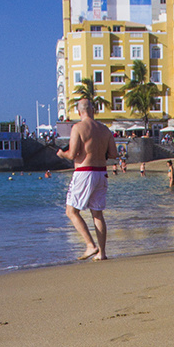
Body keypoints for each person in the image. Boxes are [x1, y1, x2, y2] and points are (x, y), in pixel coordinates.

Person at [57, 96, 118, 260]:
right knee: (97, 214)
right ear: (93, 110)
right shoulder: (105, 130)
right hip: (101, 172)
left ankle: (90, 245)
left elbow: (72, 154)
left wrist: (62, 154)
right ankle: (102, 253)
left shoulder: (78, 127)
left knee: (71, 211)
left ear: (79, 112)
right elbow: (113, 154)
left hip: (84, 171)